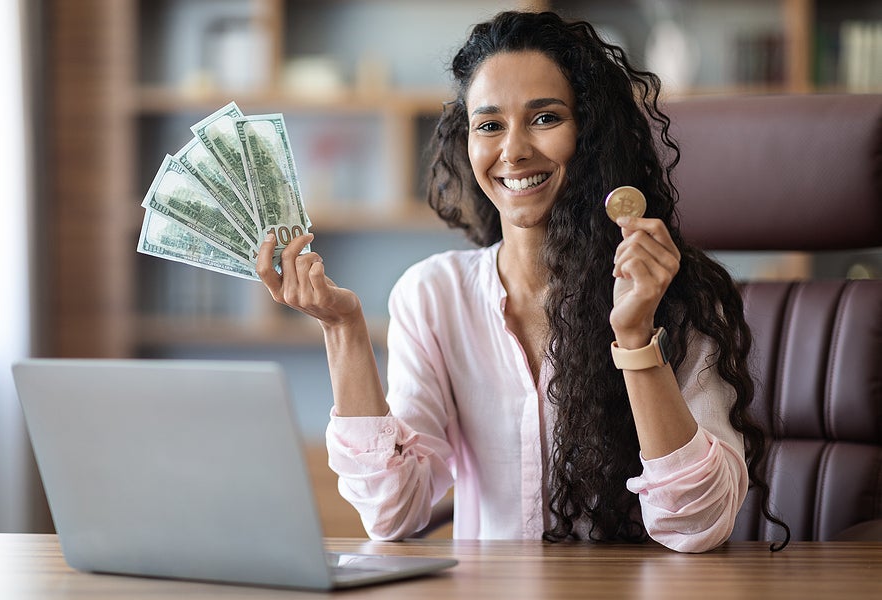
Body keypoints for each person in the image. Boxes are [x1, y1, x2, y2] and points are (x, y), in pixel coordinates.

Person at [256, 10, 789, 553]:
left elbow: (698, 527)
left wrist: (635, 342)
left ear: (590, 133)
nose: (513, 150)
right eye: (490, 125)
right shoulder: (433, 296)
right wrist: (343, 328)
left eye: (545, 118)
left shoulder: (678, 296)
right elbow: (392, 512)